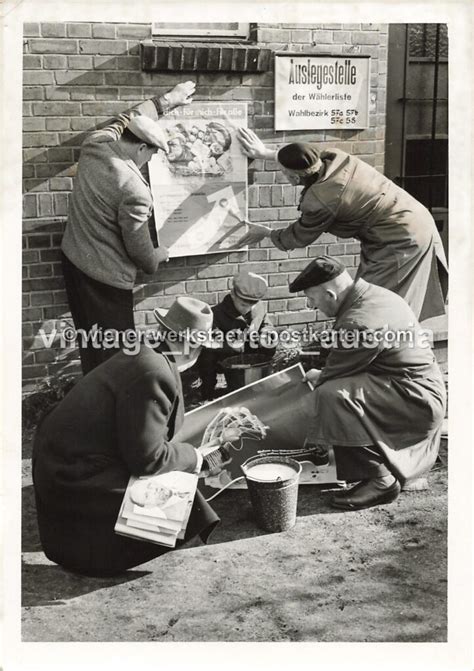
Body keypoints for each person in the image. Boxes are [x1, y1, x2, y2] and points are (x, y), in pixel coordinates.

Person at [32, 297, 227, 577]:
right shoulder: (155, 372)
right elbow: (148, 459)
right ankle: (94, 555)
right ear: (191, 346)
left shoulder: (144, 352)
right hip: (73, 476)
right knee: (181, 499)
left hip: (60, 459)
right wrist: (196, 457)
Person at [237, 129, 448, 322]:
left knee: (377, 301)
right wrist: (266, 153)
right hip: (413, 218)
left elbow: (299, 236)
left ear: (293, 176)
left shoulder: (321, 200)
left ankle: (381, 352)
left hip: (399, 238)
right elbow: (305, 157)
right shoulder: (333, 158)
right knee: (376, 298)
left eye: (284, 172)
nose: (284, 175)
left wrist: (266, 232)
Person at [289, 255, 446, 511]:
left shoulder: (358, 322)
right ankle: (380, 466)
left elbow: (332, 375)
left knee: (330, 395)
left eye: (312, 300)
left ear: (330, 294)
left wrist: (317, 377)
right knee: (337, 390)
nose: (311, 305)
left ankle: (380, 479)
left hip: (416, 400)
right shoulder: (373, 294)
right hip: (413, 387)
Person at [61, 81, 196, 374]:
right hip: (105, 281)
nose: (149, 160)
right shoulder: (134, 189)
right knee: (116, 356)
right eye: (151, 154)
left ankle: (92, 394)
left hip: (73, 261)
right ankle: (107, 409)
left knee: (91, 342)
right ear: (142, 147)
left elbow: (126, 119)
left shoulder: (95, 143)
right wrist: (158, 254)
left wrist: (167, 101)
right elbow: (140, 252)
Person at [197, 270, 276, 400]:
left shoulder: (259, 307)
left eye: (252, 305)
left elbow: (266, 323)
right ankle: (208, 393)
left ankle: (260, 384)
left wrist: (266, 333)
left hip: (251, 353)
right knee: (207, 356)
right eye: (243, 304)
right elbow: (212, 342)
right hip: (226, 357)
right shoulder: (216, 314)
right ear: (233, 294)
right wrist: (233, 344)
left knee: (270, 343)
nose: (248, 309)